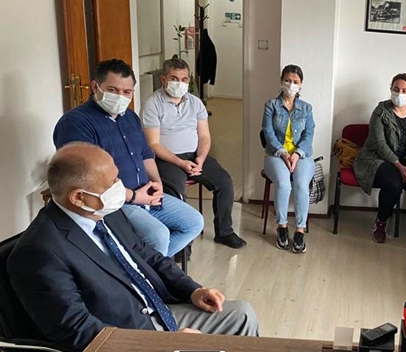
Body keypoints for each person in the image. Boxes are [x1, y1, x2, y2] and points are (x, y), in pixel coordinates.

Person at [7, 143, 260, 352]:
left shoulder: (104, 211)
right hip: (127, 344)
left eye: (117, 177)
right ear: (78, 197)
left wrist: (193, 290)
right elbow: (77, 331)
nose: (121, 187)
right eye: (111, 183)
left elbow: (150, 256)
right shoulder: (39, 252)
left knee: (242, 316)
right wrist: (162, 345)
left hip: (156, 311)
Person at [53, 59, 203, 258]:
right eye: (113, 90)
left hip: (146, 194)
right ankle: (147, 272)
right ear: (95, 87)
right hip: (114, 202)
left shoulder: (129, 117)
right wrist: (133, 196)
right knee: (158, 235)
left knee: (194, 222)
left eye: (127, 92)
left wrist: (157, 183)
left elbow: (145, 154)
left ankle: (145, 269)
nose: (120, 97)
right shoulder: (76, 123)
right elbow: (87, 179)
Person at [142, 58, 246, 249]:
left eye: (184, 79)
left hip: (195, 156)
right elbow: (153, 144)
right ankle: (183, 244)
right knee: (176, 191)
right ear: (163, 79)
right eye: (174, 78)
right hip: (167, 159)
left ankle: (224, 232)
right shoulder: (152, 103)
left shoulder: (196, 103)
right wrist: (180, 163)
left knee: (224, 182)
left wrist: (201, 158)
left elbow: (204, 136)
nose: (179, 83)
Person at [353, 73, 406, 244]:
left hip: (405, 161)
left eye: (404, 90)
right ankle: (380, 223)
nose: (399, 93)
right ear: (391, 89)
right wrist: (400, 167)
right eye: (396, 89)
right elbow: (379, 144)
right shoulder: (380, 112)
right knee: (394, 183)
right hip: (376, 159)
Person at [261, 64, 315, 253]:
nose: (291, 85)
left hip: (302, 155)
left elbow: (309, 134)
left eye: (295, 82)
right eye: (288, 80)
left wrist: (297, 154)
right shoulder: (271, 105)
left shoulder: (306, 108)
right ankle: (282, 227)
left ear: (301, 84)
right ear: (281, 81)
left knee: (301, 185)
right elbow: (268, 133)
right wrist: (284, 153)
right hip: (276, 154)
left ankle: (300, 230)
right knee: (284, 185)